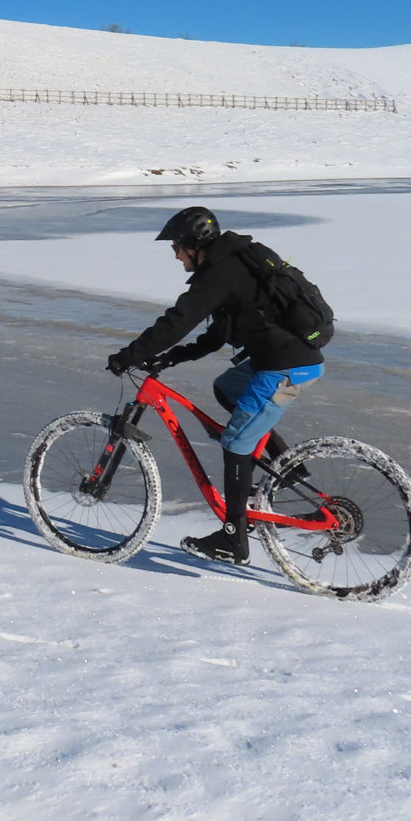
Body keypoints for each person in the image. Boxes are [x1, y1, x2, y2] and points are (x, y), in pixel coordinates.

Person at [106, 206, 324, 566]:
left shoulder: (219, 274)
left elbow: (178, 320)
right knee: (228, 388)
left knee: (236, 441)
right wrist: (174, 357)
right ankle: (286, 466)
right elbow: (218, 333)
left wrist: (130, 354)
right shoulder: (231, 265)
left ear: (194, 244)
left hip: (286, 368)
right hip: (284, 359)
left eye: (176, 247)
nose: (175, 255)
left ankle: (233, 539)